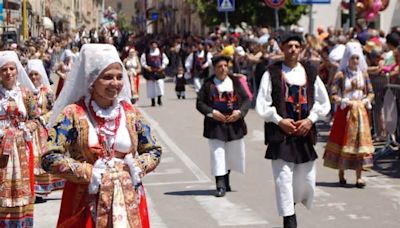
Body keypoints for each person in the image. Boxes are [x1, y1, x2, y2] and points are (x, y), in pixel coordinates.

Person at [42, 44, 162, 227]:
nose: (115, 84)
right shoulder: (73, 114)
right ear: (92, 80)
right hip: (84, 203)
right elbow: (49, 157)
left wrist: (136, 166)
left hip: (128, 200)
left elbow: (154, 150)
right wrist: (88, 172)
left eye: (119, 77)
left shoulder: (130, 112)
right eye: (107, 77)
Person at [256, 33, 330, 228]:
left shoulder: (310, 73)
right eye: (289, 46)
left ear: (301, 49)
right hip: (281, 135)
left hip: (304, 133)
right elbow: (262, 104)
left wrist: (310, 120)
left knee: (306, 179)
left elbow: (324, 102)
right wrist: (279, 121)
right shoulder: (271, 73)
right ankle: (289, 219)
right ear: (282, 48)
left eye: (297, 46)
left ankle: (292, 204)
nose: (293, 50)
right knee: (283, 178)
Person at [196, 55, 251, 197]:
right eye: (219, 67)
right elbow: (200, 103)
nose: (223, 69)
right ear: (214, 69)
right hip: (215, 125)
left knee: (232, 155)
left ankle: (226, 179)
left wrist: (239, 113)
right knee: (218, 154)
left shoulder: (236, 82)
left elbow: (246, 99)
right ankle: (219, 184)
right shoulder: (208, 84)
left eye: (225, 66)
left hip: (234, 124)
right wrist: (212, 113)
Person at [323, 41, 375, 188]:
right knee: (343, 141)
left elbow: (370, 92)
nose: (355, 61)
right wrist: (342, 101)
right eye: (353, 58)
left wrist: (366, 100)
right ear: (347, 58)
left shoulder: (363, 74)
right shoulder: (341, 74)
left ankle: (359, 176)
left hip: (360, 112)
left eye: (358, 58)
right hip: (345, 112)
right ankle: (342, 172)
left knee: (360, 143)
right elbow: (333, 93)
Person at [0, 51, 37, 227]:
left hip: (22, 148)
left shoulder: (25, 94)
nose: (8, 73)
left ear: (17, 70)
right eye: (4, 69)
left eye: (11, 68)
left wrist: (26, 128)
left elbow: (36, 118)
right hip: (2, 149)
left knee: (23, 186)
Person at [26, 59, 65, 202]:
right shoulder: (25, 91)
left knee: (42, 157)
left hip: (43, 130)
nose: (34, 78)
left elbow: (54, 109)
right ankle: (34, 190)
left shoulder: (47, 92)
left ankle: (42, 191)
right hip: (30, 130)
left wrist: (44, 118)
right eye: (31, 75)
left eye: (36, 74)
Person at [140, 40, 169, 106]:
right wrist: (146, 67)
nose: (153, 46)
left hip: (159, 70)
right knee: (150, 86)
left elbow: (166, 60)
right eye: (152, 44)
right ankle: (152, 101)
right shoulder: (146, 53)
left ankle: (159, 98)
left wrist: (163, 66)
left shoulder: (161, 53)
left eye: (155, 44)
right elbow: (143, 61)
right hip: (150, 71)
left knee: (160, 84)